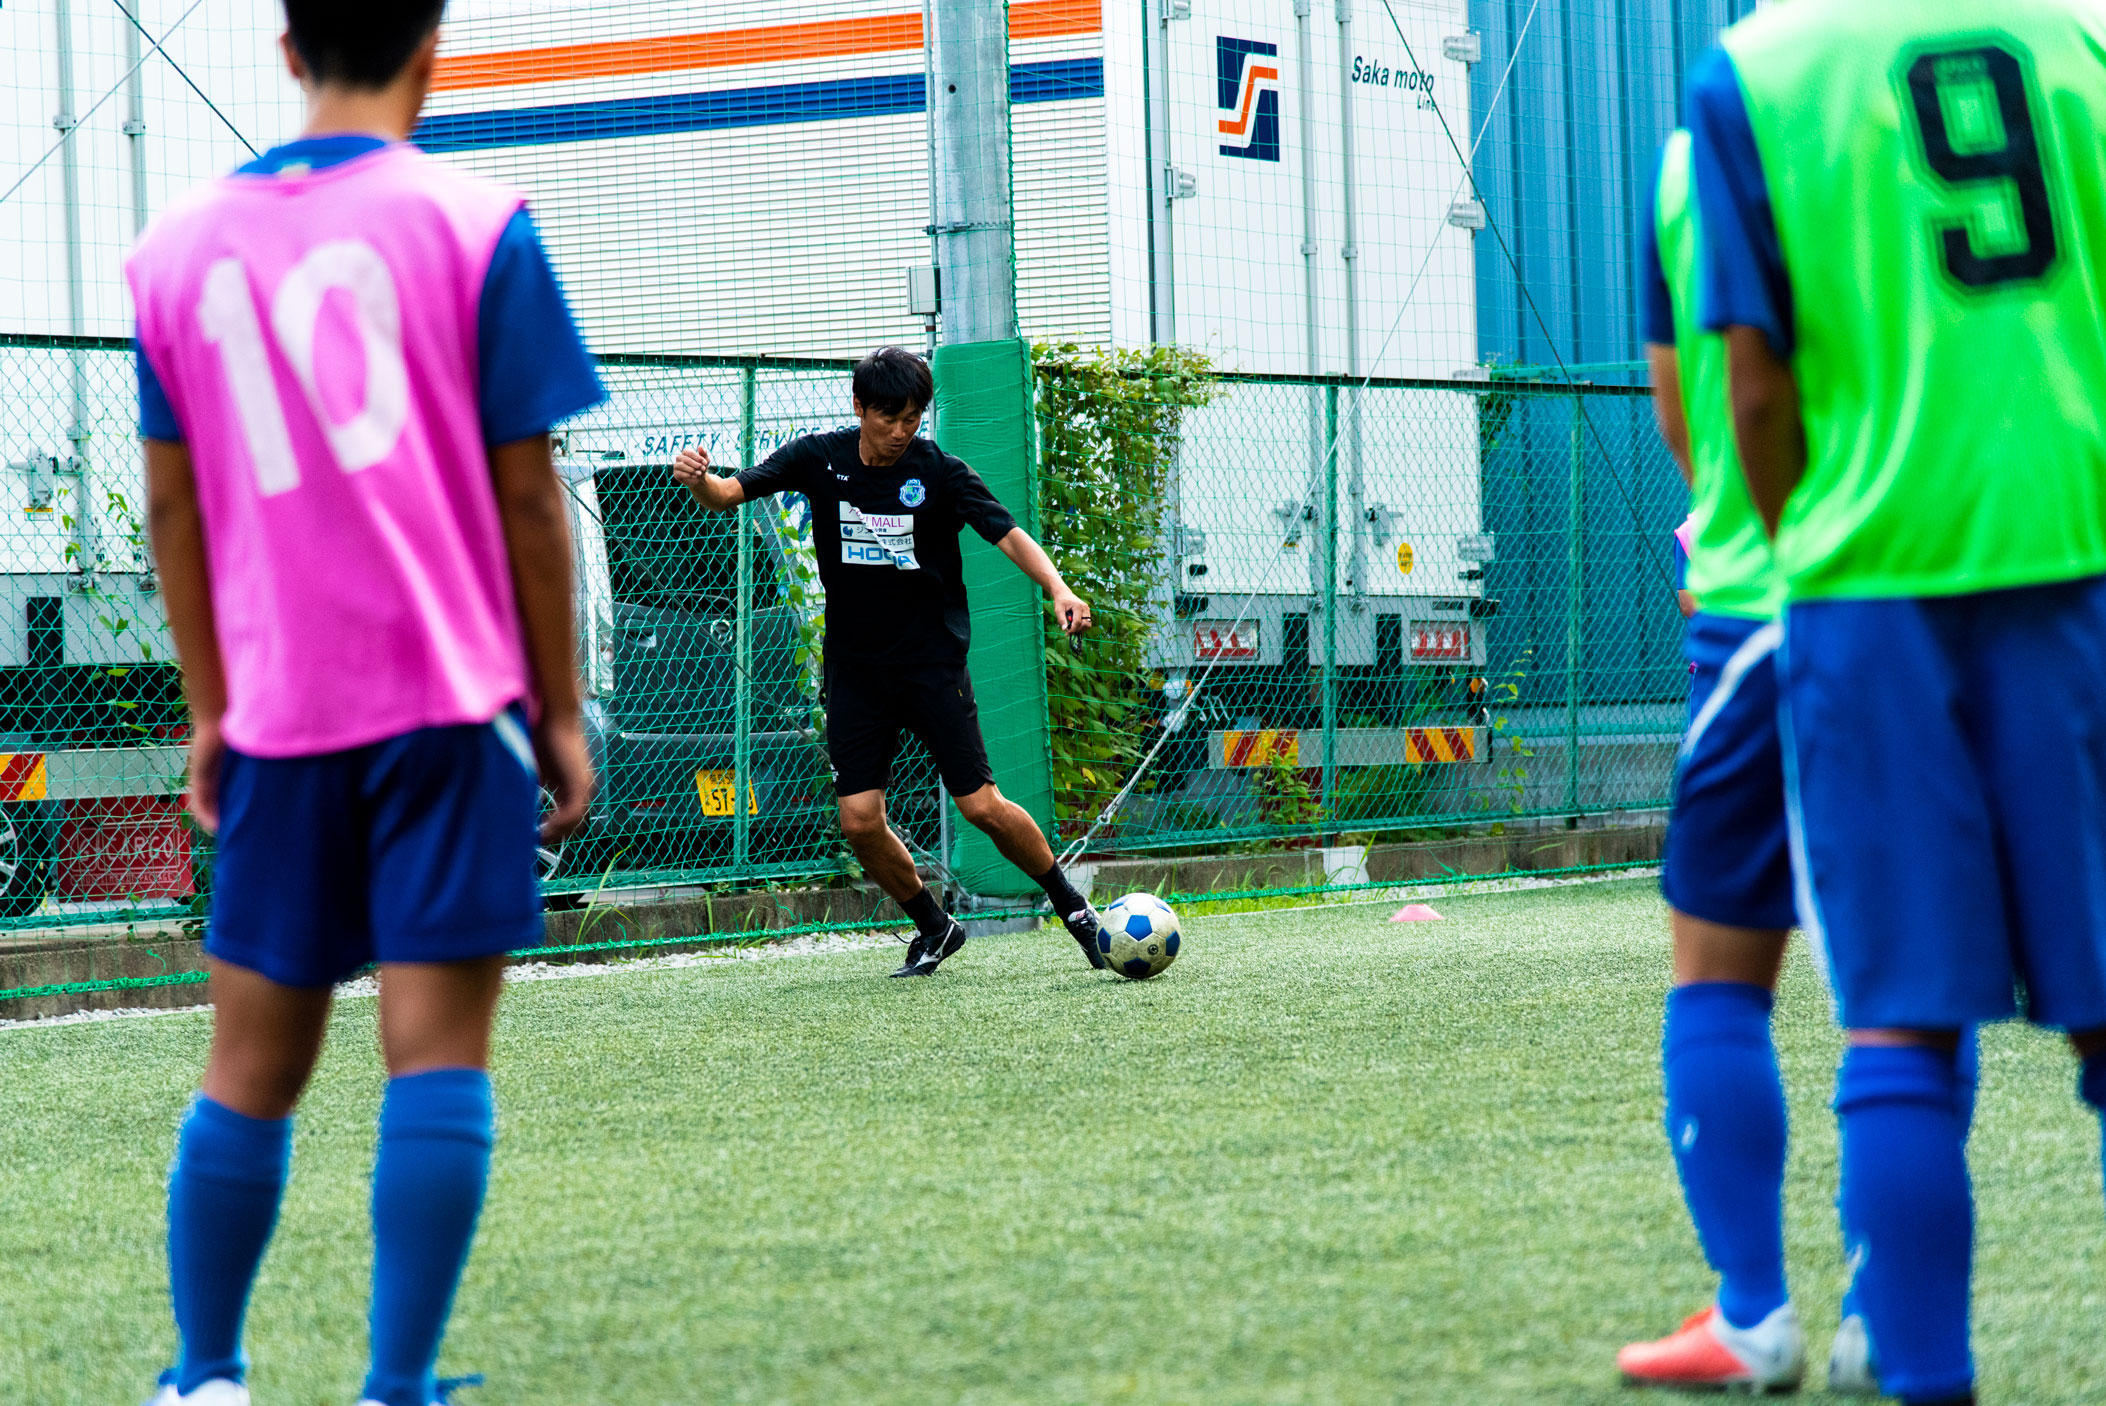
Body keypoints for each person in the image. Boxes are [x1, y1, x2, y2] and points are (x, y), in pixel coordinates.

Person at [126, 1, 602, 1401]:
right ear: (432, 46)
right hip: (451, 709)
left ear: (288, 50)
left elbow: (174, 508)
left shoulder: (175, 251)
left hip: (280, 717)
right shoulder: (481, 226)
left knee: (248, 1064)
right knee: (435, 1057)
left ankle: (206, 1374)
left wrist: (212, 708)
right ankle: (396, 1386)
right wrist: (558, 709)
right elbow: (531, 501)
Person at [1691, 3, 2106, 1403]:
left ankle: (1926, 1375)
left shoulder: (1757, 70)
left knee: (1903, 1029)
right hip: (2075, 564)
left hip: (1868, 595)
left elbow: (1753, 388)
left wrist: (1808, 536)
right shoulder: (2076, 45)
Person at [672, 348, 1105, 977]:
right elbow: (727, 493)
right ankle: (934, 925)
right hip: (856, 671)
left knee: (981, 807)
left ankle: (1073, 908)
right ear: (859, 408)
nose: (902, 430)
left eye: (913, 418)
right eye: (889, 417)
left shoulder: (939, 471)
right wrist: (698, 480)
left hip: (932, 665)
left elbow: (1008, 533)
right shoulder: (817, 457)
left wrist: (1058, 589)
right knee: (858, 821)